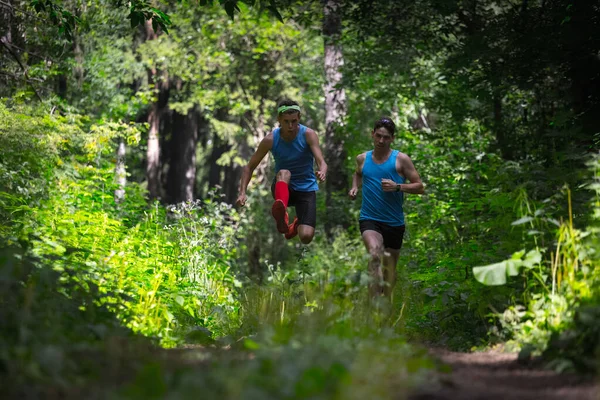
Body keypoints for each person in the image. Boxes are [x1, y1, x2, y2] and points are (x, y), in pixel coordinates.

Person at [348, 117, 424, 298]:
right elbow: (358, 173)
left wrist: (398, 187)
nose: (381, 141)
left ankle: (387, 303)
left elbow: (420, 187)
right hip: (369, 218)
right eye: (379, 136)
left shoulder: (401, 160)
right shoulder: (362, 158)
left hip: (394, 222)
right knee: (374, 255)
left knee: (390, 270)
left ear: (392, 139)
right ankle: (375, 306)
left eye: (386, 137)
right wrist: (354, 187)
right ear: (372, 135)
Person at [236, 99, 327, 244]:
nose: (290, 126)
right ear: (279, 119)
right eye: (286, 121)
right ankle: (281, 211)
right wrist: (242, 192)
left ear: (299, 118)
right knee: (285, 172)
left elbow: (321, 161)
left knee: (306, 237)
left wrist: (322, 171)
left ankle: (295, 225)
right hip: (283, 187)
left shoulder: (308, 134)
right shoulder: (270, 139)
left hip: (306, 189)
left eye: (294, 121)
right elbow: (249, 167)